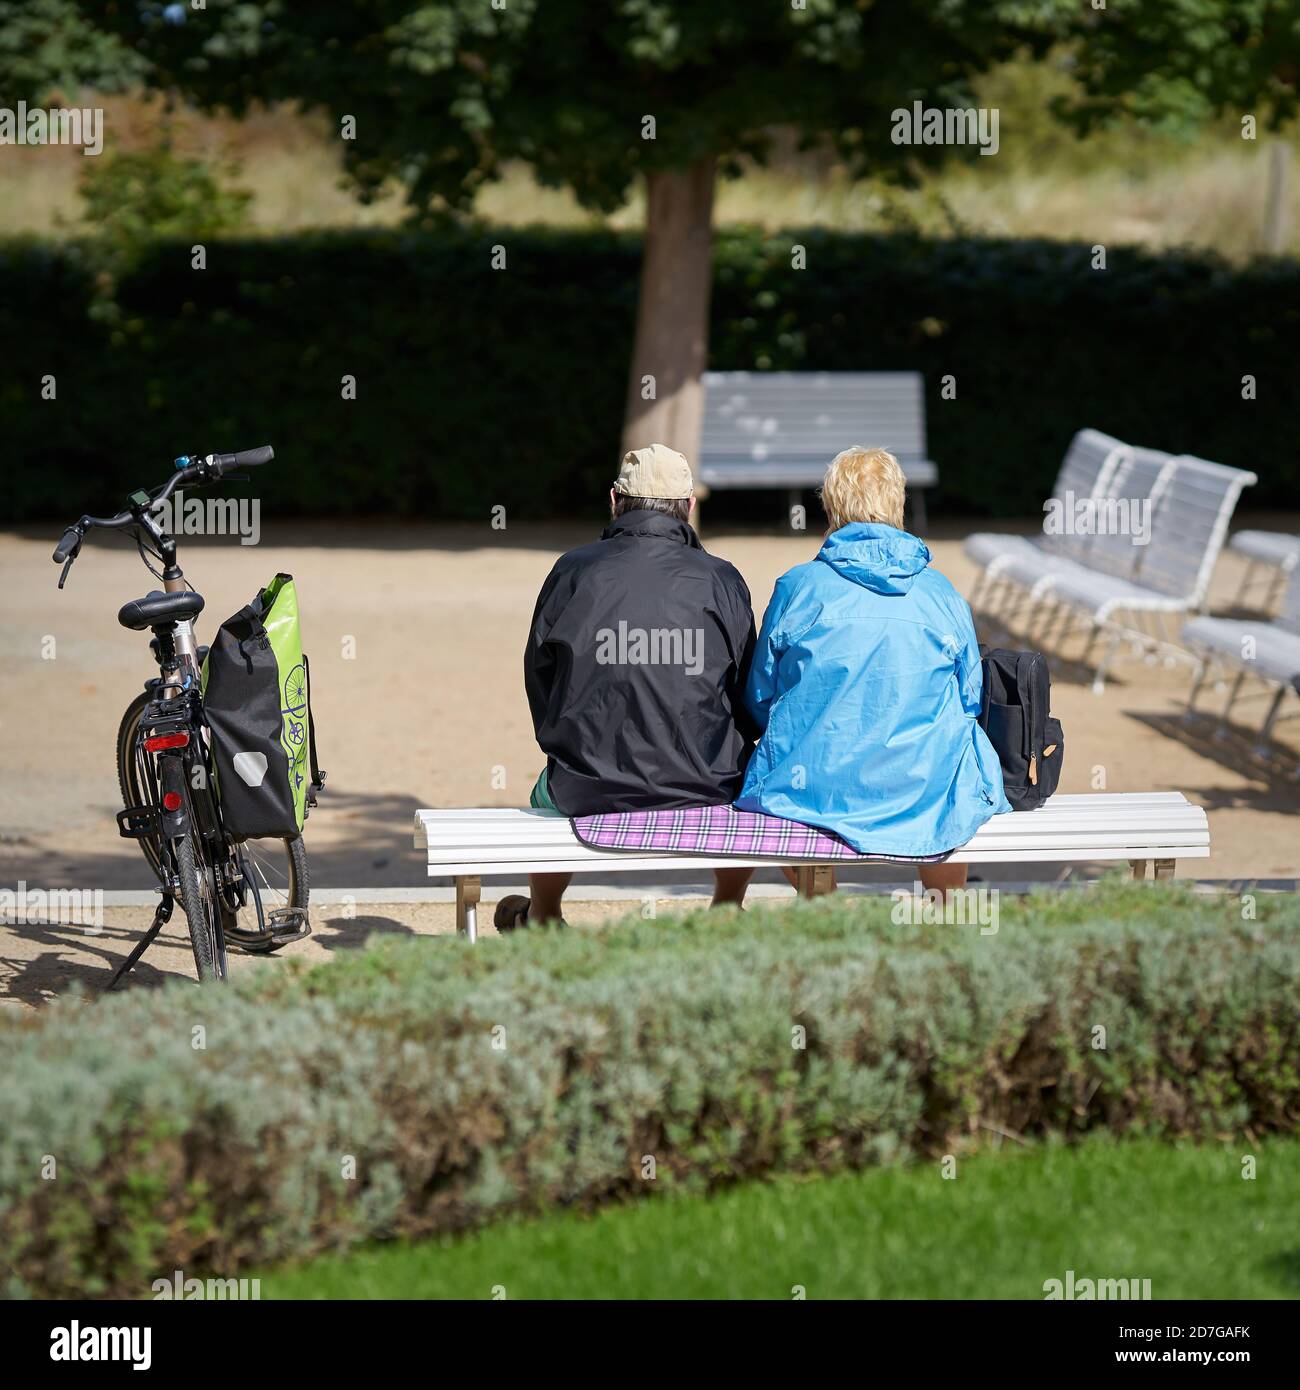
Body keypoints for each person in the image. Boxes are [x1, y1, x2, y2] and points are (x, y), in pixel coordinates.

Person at [498, 443, 758, 928]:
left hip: (586, 783)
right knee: (750, 769)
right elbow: (744, 688)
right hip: (709, 782)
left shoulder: (573, 570)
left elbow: (540, 675)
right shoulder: (722, 578)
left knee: (545, 783)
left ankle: (546, 914)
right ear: (690, 507)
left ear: (615, 499)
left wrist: (566, 740)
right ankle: (726, 906)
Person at [735, 446, 1009, 895]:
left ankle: (820, 904)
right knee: (950, 773)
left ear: (831, 507)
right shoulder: (941, 592)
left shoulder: (798, 586)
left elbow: (761, 697)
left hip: (814, 787)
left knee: (777, 786)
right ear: (897, 504)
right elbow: (970, 698)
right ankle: (948, 909)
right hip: (923, 786)